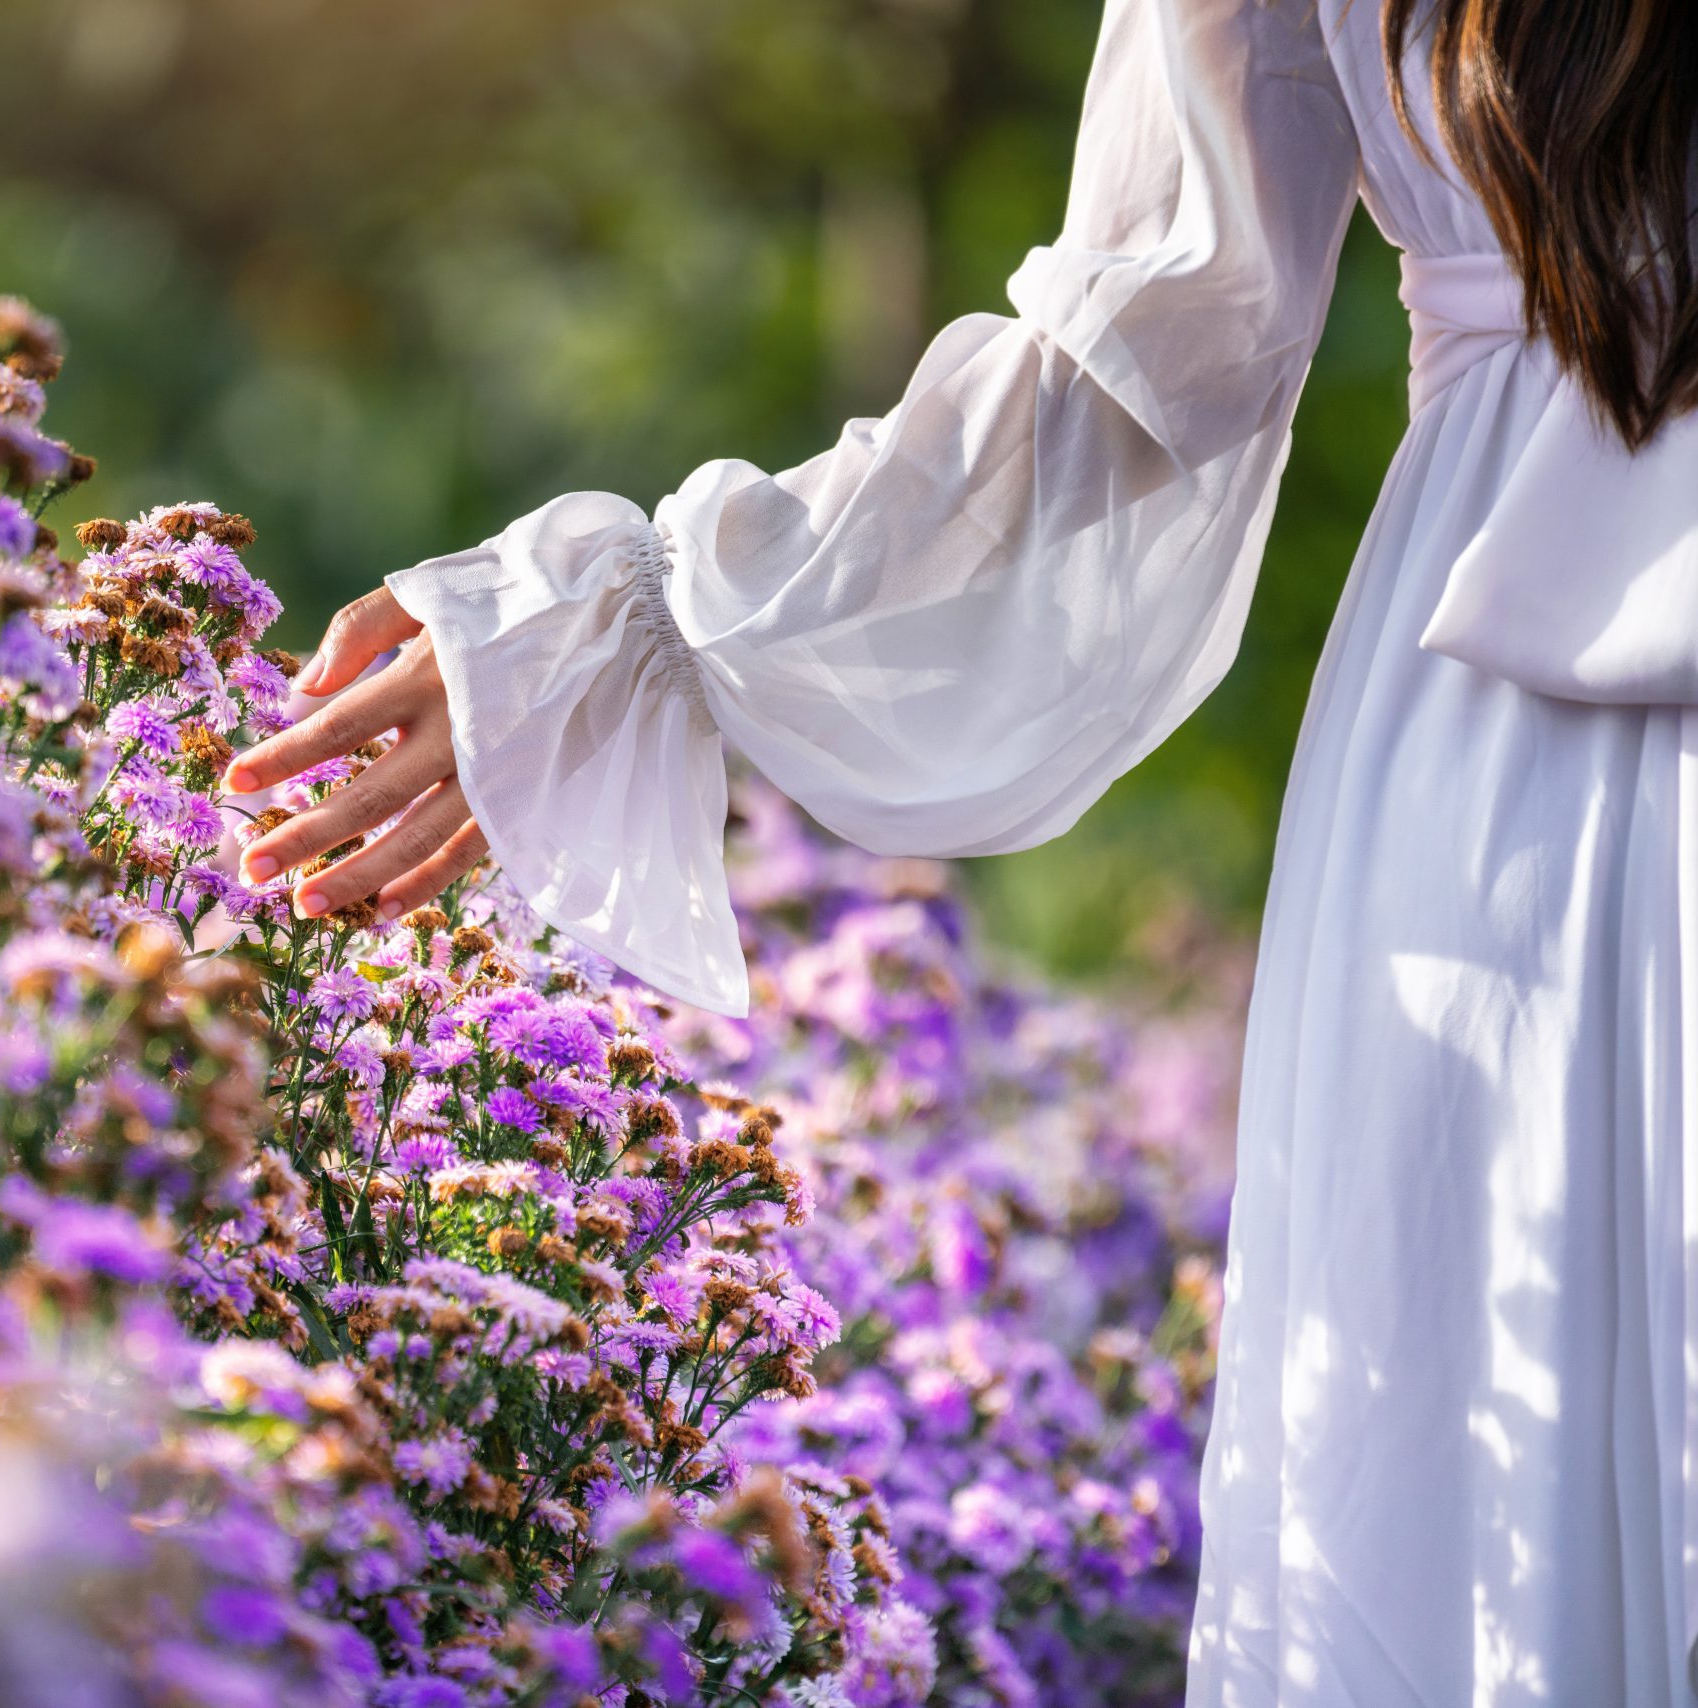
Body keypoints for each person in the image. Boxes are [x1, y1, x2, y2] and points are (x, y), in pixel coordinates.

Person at [221, 0, 1698, 1698]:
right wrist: (643, 632)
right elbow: (1141, 357)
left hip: (1509, 747)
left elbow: (1140, 357)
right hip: (1527, 774)